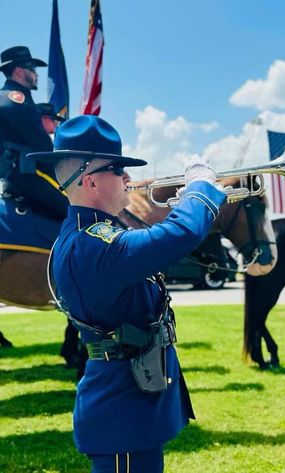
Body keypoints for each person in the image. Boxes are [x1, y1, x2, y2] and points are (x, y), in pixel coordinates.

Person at [28, 115, 227, 472]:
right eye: (118, 170)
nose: (128, 179)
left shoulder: (92, 235)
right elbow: (178, 235)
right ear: (89, 180)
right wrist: (200, 188)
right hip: (123, 411)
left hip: (130, 404)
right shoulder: (93, 244)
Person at [0, 46, 68, 220]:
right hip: (24, 176)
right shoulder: (14, 100)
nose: (36, 74)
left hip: (21, 173)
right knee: (75, 209)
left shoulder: (12, 98)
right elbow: (41, 145)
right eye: (33, 69)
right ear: (19, 71)